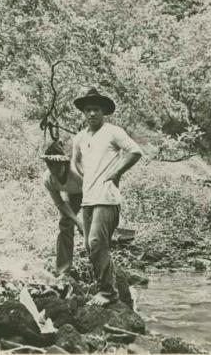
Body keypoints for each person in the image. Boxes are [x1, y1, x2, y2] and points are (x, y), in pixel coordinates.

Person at [71, 88, 142, 306]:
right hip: (88, 198)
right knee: (89, 246)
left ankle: (108, 293)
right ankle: (108, 287)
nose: (92, 114)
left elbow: (135, 151)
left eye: (96, 110)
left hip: (107, 198)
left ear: (103, 112)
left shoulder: (113, 131)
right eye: (88, 110)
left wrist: (116, 172)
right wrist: (85, 177)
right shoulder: (80, 137)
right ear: (83, 112)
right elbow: (74, 162)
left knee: (96, 241)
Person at [41, 141, 84, 277]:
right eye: (50, 165)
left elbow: (94, 193)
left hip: (90, 191)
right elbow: (60, 203)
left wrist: (84, 222)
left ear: (65, 164)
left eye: (57, 165)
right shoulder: (48, 179)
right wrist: (77, 221)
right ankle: (63, 271)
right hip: (72, 193)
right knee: (65, 224)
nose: (54, 169)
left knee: (93, 227)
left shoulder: (78, 173)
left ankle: (100, 267)